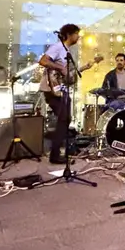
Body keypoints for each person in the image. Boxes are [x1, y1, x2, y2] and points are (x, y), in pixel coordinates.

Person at [39, 24, 98, 164]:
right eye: (77, 34)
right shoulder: (58, 47)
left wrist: (84, 68)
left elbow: (67, 75)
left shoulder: (66, 51)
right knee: (64, 119)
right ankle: (54, 153)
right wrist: (60, 67)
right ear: (69, 35)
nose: (79, 37)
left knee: (65, 119)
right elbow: (43, 61)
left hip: (61, 90)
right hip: (51, 90)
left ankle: (56, 151)